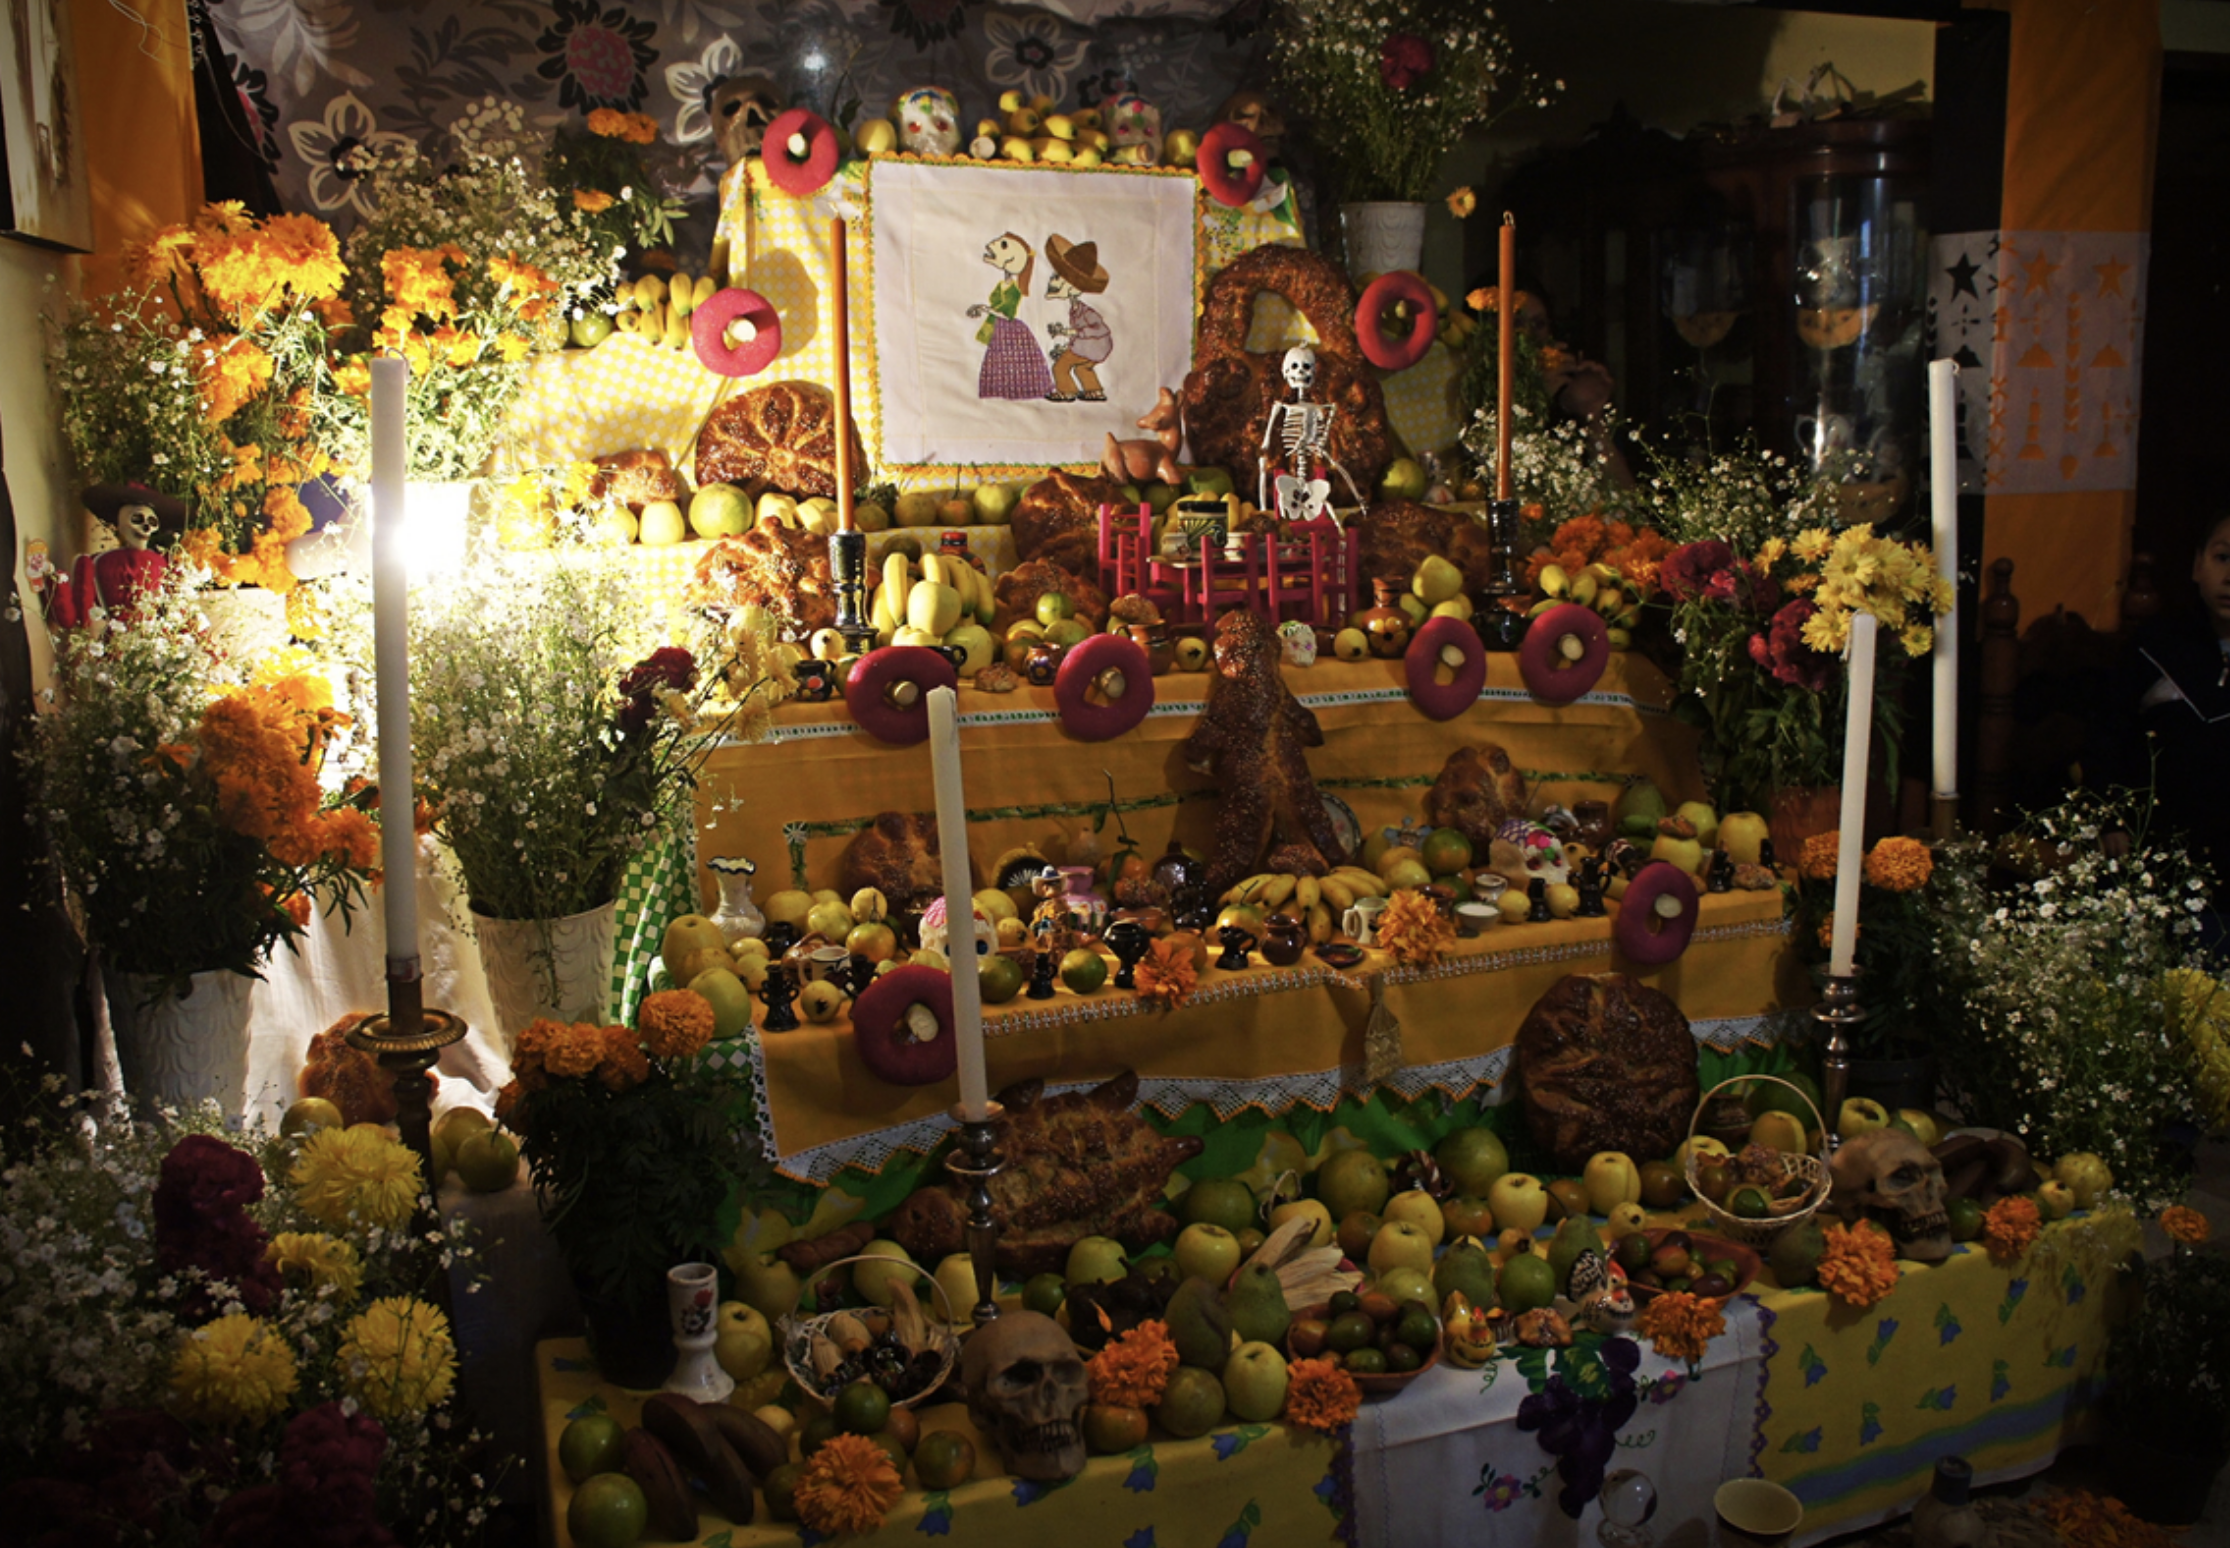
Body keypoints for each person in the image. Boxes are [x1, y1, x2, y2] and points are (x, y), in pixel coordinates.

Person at [2089, 510, 2230, 945]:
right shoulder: (2157, 645)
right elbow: (2111, 734)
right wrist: (2110, 817)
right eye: (2223, 557)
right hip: (2161, 849)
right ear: (2197, 566)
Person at [967, 233, 1054, 401]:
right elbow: (997, 306)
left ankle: (1015, 393)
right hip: (998, 328)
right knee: (999, 361)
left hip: (1008, 329)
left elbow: (1008, 315)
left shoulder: (1014, 290)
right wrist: (983, 309)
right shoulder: (1003, 284)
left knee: (1012, 363)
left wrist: (985, 308)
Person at [1042, 234, 1112, 403]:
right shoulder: (1076, 309)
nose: (1052, 280)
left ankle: (1067, 392)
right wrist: (1069, 343)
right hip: (1093, 347)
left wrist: (1069, 332)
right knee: (1082, 368)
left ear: (1073, 287)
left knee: (1060, 366)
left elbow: (1099, 329)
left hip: (1094, 346)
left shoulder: (1086, 311)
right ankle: (1094, 391)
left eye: (1058, 277)